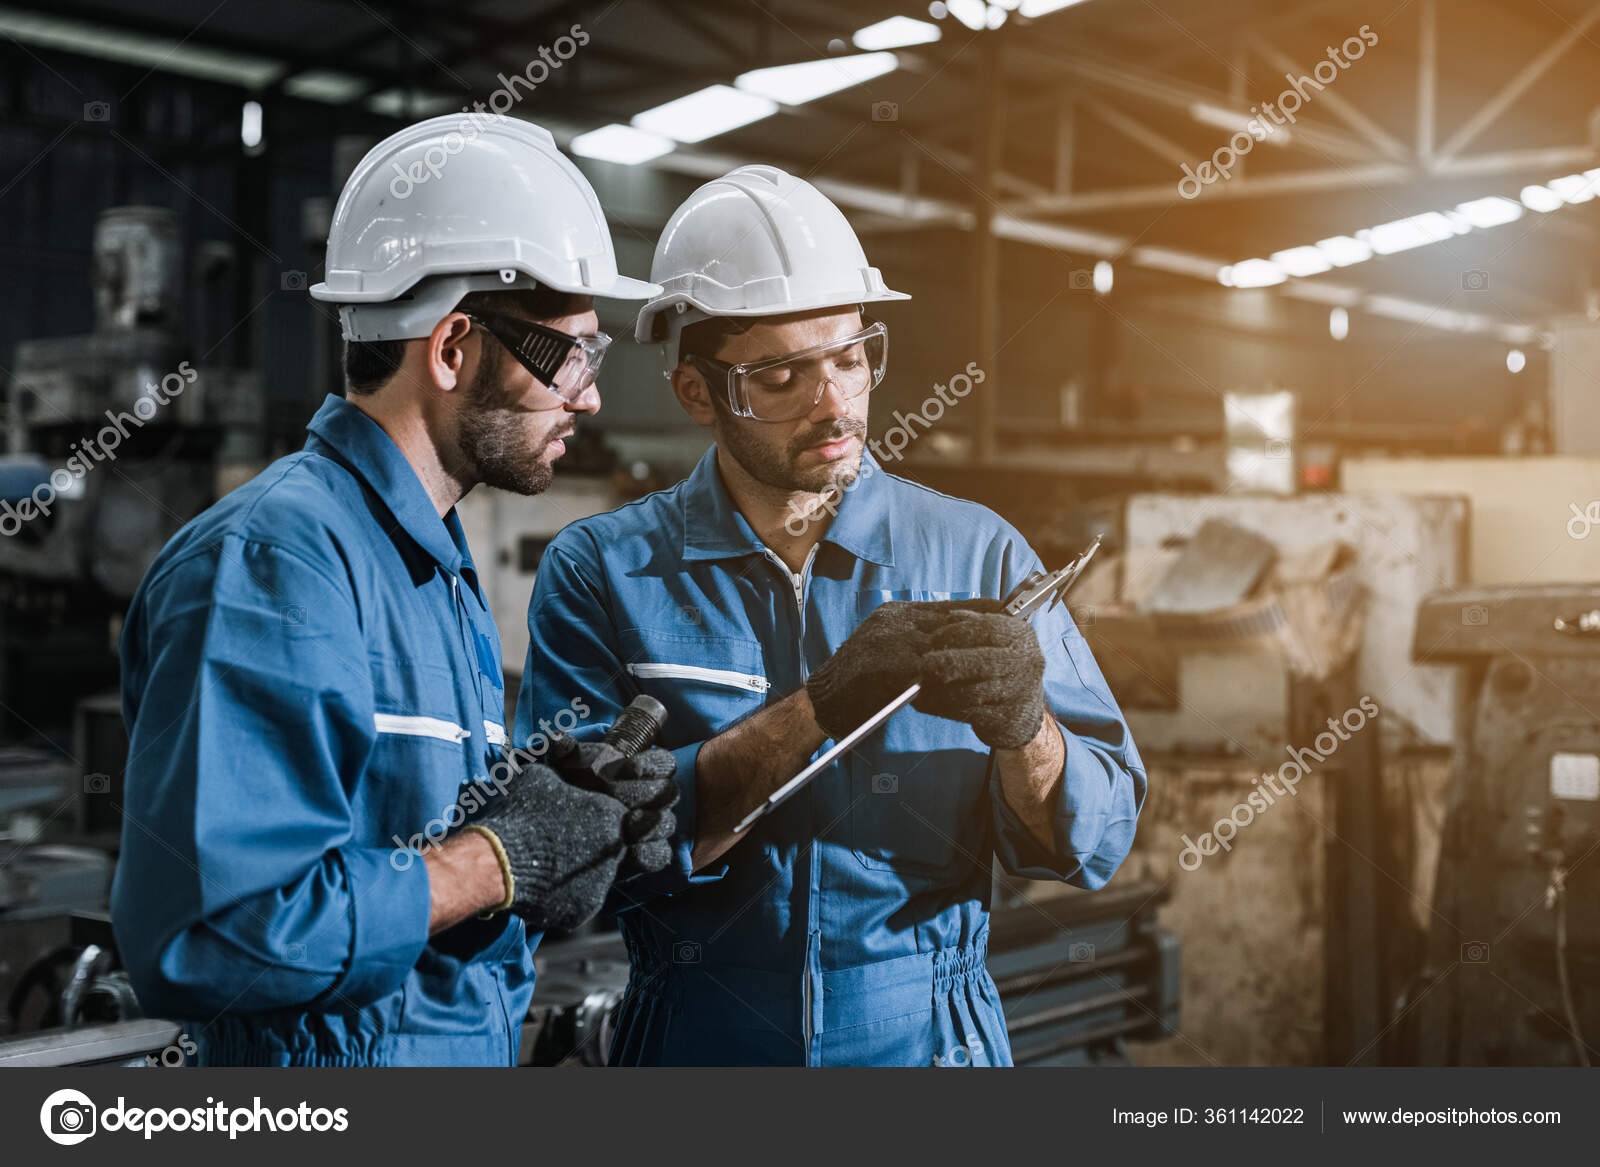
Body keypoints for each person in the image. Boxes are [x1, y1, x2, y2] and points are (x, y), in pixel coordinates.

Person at [517, 165, 1147, 1066]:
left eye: (851, 359)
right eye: (782, 376)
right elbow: (574, 862)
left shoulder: (976, 553)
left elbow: (1095, 841)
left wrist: (1028, 729)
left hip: (929, 1040)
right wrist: (821, 705)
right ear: (697, 393)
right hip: (699, 1037)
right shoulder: (605, 574)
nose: (835, 403)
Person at [111, 116, 677, 1067]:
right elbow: (215, 930)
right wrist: (498, 859)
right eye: (572, 353)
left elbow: (422, 863)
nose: (588, 397)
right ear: (453, 347)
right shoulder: (276, 561)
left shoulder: (434, 569)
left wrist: (567, 827)